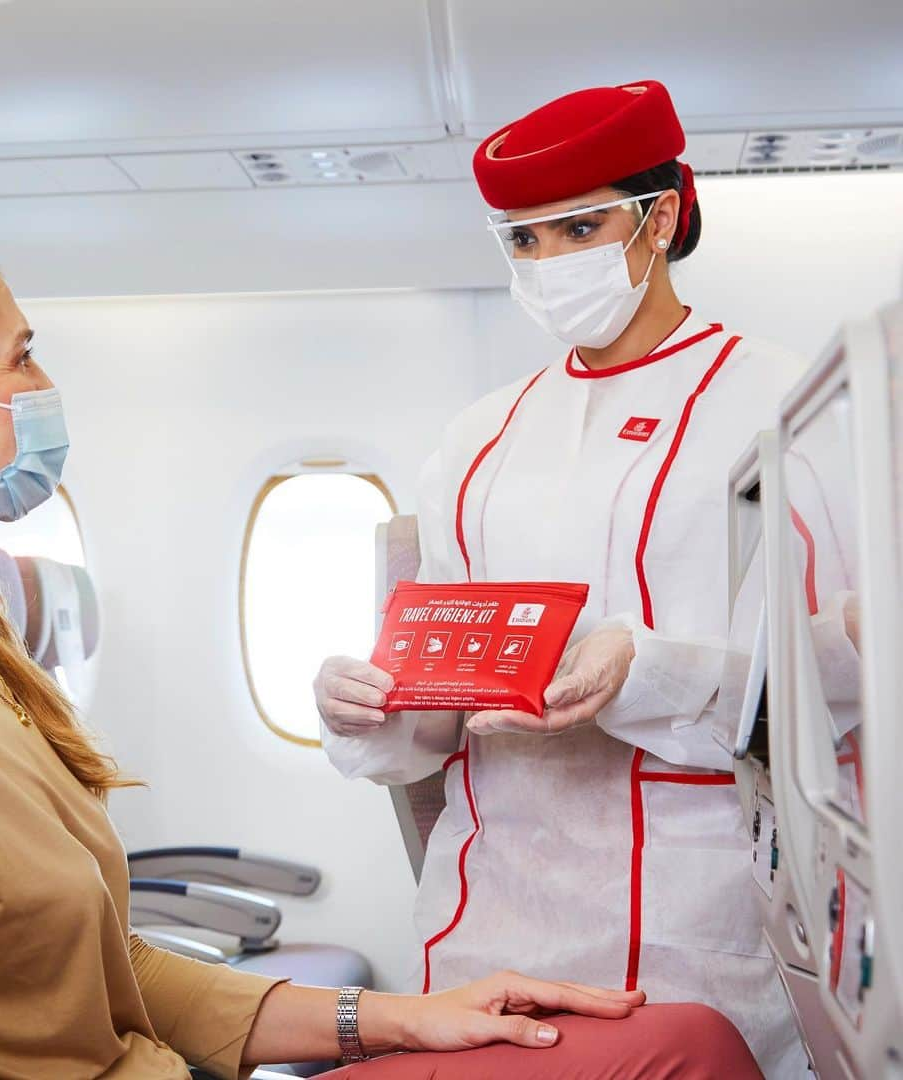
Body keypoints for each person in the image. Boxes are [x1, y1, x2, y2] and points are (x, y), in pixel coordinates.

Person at [0, 214, 762, 1080]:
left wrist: (403, 1017)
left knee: (689, 1036)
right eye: (22, 358)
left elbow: (120, 978)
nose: (45, 388)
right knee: (684, 1058)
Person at [316, 79, 819, 1078]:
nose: (547, 265)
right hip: (485, 923)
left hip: (691, 927)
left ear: (661, 217)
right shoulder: (479, 437)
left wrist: (651, 668)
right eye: (522, 241)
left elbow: (842, 667)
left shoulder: (778, 400)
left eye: (577, 229)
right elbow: (435, 711)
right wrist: (362, 706)